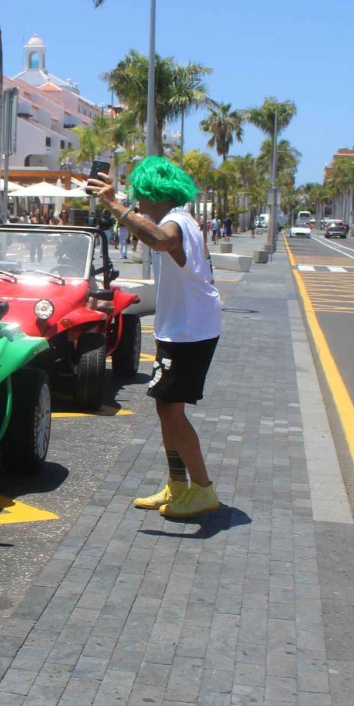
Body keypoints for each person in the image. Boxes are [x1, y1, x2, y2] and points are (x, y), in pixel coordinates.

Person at [89, 156, 222, 519]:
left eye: (140, 192)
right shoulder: (176, 219)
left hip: (190, 331)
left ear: (156, 191)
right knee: (167, 408)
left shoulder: (176, 222)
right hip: (181, 327)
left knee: (171, 411)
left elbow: (161, 241)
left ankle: (203, 489)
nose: (138, 199)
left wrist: (115, 206)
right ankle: (178, 484)